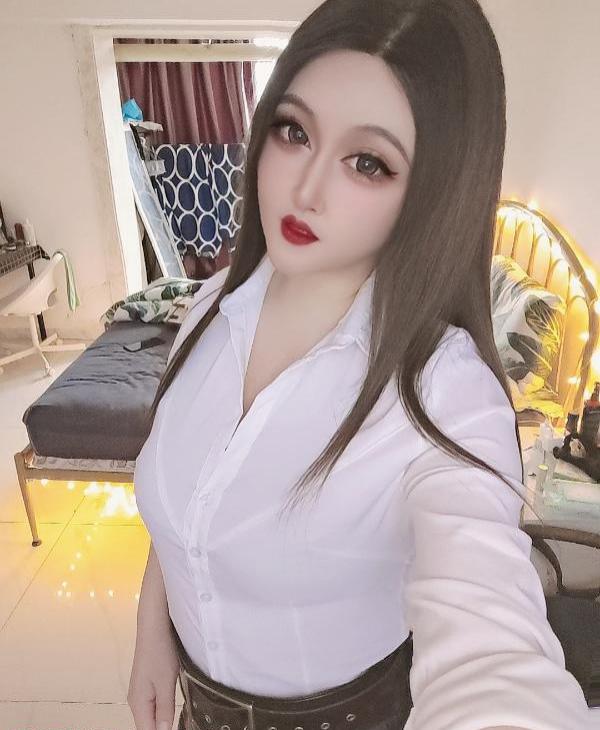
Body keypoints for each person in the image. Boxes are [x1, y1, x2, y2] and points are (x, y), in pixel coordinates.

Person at [127, 1, 590, 728]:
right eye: (294, 131)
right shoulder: (210, 307)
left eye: (367, 163)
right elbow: (193, 498)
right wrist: (151, 631)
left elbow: (490, 636)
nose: (306, 189)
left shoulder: (445, 393)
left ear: (432, 191)